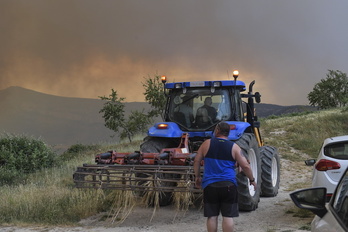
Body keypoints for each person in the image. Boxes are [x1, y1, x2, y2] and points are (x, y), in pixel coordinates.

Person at [194, 121, 257, 232]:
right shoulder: (234, 147)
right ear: (228, 133)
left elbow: (197, 160)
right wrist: (252, 180)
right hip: (228, 185)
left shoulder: (206, 144)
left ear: (217, 130)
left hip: (210, 185)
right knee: (228, 216)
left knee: (212, 216)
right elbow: (245, 166)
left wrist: (197, 177)